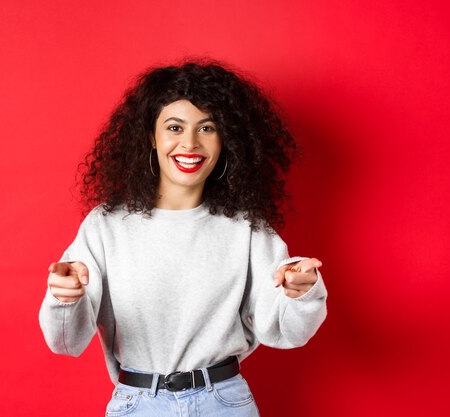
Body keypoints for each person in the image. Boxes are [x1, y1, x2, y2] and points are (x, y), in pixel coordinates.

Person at [39, 60, 328, 417]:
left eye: (207, 128)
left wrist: (299, 294)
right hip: (138, 404)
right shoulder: (106, 225)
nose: (190, 143)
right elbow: (65, 341)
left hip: (225, 404)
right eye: (174, 127)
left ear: (226, 140)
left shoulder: (246, 228)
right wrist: (64, 297)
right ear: (151, 137)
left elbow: (286, 331)